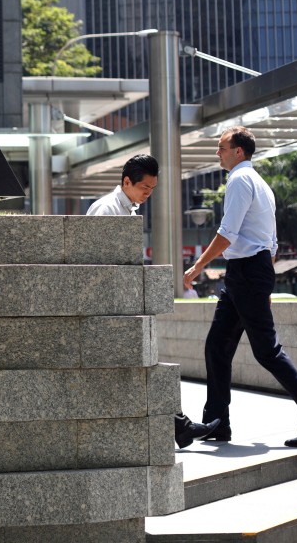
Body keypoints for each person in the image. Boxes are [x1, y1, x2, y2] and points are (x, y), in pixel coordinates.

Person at [184, 126, 297, 447]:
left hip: (247, 271)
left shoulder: (239, 180)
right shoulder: (261, 184)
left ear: (239, 151)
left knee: (268, 351)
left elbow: (228, 233)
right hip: (249, 271)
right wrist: (262, 283)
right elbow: (273, 242)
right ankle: (217, 421)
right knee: (217, 345)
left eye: (222, 147)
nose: (217, 152)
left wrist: (198, 266)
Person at [88, 154, 220, 449]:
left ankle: (180, 426)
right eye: (145, 188)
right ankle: (180, 427)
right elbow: (93, 267)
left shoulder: (126, 210)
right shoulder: (106, 211)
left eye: (152, 189)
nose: (148, 195)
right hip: (110, 313)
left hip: (122, 309)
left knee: (150, 369)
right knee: (148, 369)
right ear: (126, 182)